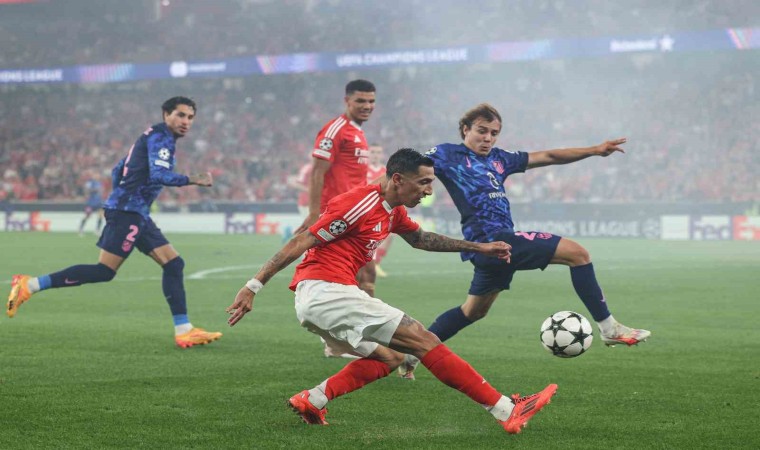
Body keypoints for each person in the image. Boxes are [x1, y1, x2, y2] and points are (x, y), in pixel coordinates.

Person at [226, 148, 557, 433]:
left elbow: (422, 239)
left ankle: (313, 399)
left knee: (391, 357)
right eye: (423, 182)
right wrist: (253, 286)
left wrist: (480, 247)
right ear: (398, 179)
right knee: (423, 340)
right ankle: (506, 409)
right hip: (326, 291)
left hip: (323, 297)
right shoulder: (358, 203)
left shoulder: (393, 211)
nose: (428, 190)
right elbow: (303, 239)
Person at [398, 103, 651, 379]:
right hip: (493, 241)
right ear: (465, 129)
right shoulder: (447, 154)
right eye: (482, 131)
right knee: (578, 254)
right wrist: (377, 191)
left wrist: (594, 150)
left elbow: (549, 155)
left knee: (472, 312)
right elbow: (408, 168)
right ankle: (609, 327)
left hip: (497, 251)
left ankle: (411, 353)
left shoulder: (500, 158)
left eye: (494, 133)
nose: (488, 138)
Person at [6, 96, 222, 349]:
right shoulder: (161, 137)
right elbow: (159, 174)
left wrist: (123, 194)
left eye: (190, 117)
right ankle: (29, 285)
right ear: (166, 114)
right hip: (128, 211)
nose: (186, 121)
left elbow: (118, 169)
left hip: (135, 210)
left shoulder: (151, 136)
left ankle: (184, 330)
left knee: (174, 263)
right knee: (104, 271)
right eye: (181, 115)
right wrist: (192, 179)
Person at [294, 79, 378, 357]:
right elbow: (317, 172)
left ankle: (348, 341)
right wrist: (314, 213)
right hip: (337, 216)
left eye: (371, 101)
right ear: (347, 101)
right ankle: (347, 342)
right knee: (345, 276)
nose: (367, 106)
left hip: (356, 215)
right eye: (360, 101)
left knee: (366, 274)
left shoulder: (358, 133)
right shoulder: (335, 130)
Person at [366, 144, 392, 277]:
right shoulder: (362, 170)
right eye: (373, 152)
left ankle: (376, 263)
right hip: (366, 209)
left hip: (382, 209)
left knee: (389, 236)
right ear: (368, 154)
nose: (375, 155)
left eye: (378, 152)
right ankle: (368, 265)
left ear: (382, 155)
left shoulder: (386, 171)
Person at [78, 171, 104, 237]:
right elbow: (86, 190)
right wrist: (95, 190)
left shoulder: (100, 183)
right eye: (96, 175)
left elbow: (101, 192)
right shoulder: (90, 183)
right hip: (91, 203)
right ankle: (81, 229)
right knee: (87, 216)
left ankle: (97, 230)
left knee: (101, 215)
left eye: (98, 175)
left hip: (98, 202)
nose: (97, 176)